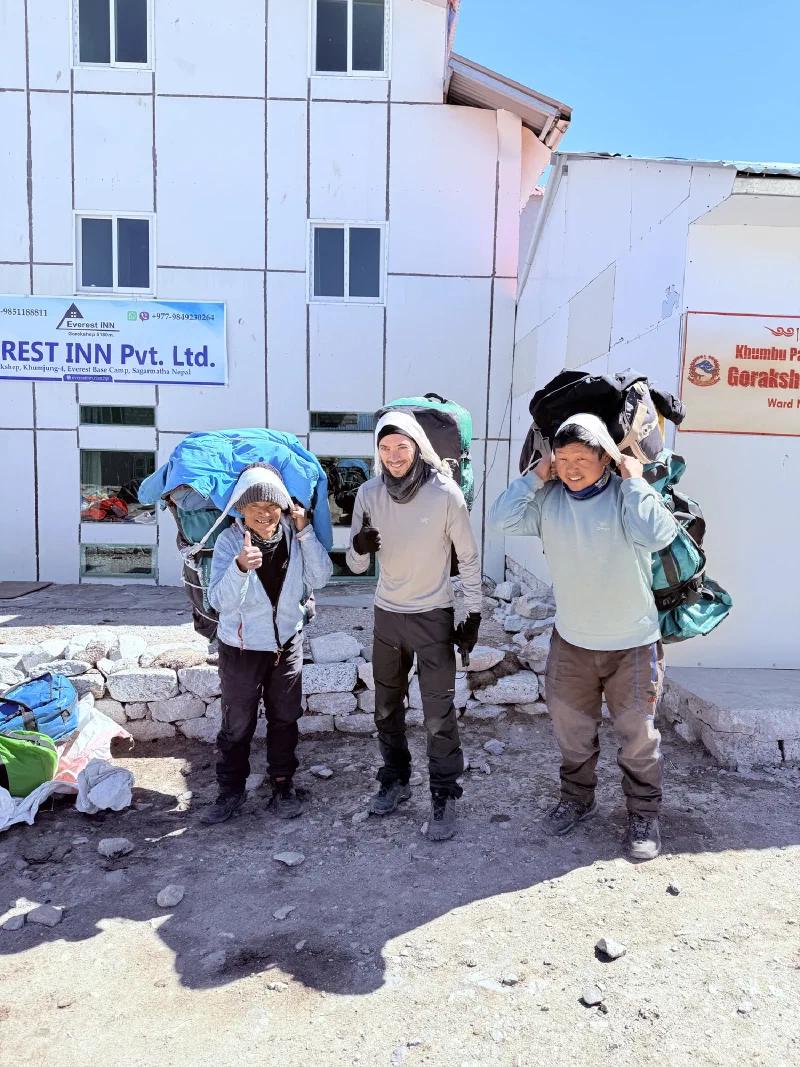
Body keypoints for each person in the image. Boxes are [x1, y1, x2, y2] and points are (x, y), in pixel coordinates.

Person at [488, 413, 678, 861]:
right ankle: (577, 799)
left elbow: (659, 534)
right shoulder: (549, 498)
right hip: (573, 642)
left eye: (583, 458)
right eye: (563, 458)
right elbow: (500, 520)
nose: (572, 467)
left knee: (638, 737)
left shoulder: (625, 494)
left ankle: (643, 813)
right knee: (571, 731)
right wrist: (535, 476)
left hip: (632, 644)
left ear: (605, 459)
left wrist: (635, 481)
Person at [346, 412, 482, 842]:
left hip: (433, 618)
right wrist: (357, 547)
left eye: (401, 447)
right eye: (385, 449)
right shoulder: (368, 493)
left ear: (418, 446)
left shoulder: (445, 494)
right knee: (386, 707)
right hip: (387, 615)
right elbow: (354, 564)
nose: (393, 456)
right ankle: (395, 779)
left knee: (438, 714)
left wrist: (473, 614)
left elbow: (470, 559)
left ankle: (444, 795)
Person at [200, 463, 333, 825]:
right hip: (241, 650)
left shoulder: (293, 535)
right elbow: (219, 602)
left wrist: (305, 532)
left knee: (285, 719)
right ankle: (230, 792)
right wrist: (241, 568)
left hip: (286, 644)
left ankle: (282, 784)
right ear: (240, 509)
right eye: (253, 506)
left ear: (283, 508)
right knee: (237, 724)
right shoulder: (230, 542)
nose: (263, 513)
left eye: (271, 505)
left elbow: (320, 578)